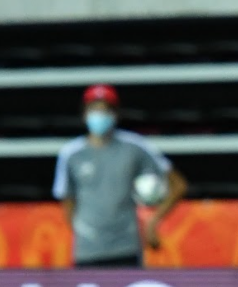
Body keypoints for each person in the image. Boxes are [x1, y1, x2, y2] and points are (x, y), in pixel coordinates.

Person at [52, 84, 188, 268]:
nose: (99, 116)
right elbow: (67, 201)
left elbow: (178, 184)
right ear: (84, 114)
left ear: (116, 114)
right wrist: (84, 233)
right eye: (94, 109)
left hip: (126, 247)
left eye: (105, 110)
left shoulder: (135, 147)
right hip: (87, 250)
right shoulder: (71, 154)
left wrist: (153, 221)